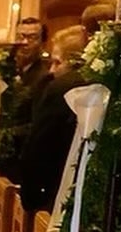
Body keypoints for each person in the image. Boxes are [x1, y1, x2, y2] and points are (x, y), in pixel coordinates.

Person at [19, 25, 87, 212]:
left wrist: (31, 200)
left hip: (56, 195)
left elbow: (39, 146)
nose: (51, 70)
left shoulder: (60, 89)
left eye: (58, 62)